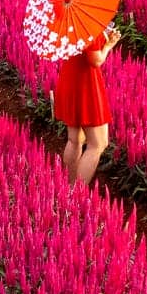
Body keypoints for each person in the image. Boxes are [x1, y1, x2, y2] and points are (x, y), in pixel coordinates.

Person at [56, 23, 121, 185]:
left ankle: (69, 189)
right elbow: (95, 60)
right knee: (97, 144)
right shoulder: (88, 25)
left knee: (75, 140)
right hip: (86, 85)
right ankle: (77, 196)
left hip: (70, 78)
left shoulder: (69, 18)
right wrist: (108, 46)